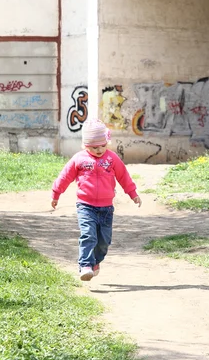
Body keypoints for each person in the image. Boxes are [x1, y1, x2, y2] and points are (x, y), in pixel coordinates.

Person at [51, 119, 142, 281]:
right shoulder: (79, 159)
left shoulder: (112, 158)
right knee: (88, 235)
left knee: (103, 242)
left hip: (106, 209)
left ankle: (95, 261)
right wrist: (56, 193)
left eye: (102, 145)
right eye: (94, 147)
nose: (99, 150)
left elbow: (123, 176)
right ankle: (85, 265)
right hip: (85, 206)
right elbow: (65, 177)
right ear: (86, 145)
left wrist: (133, 193)